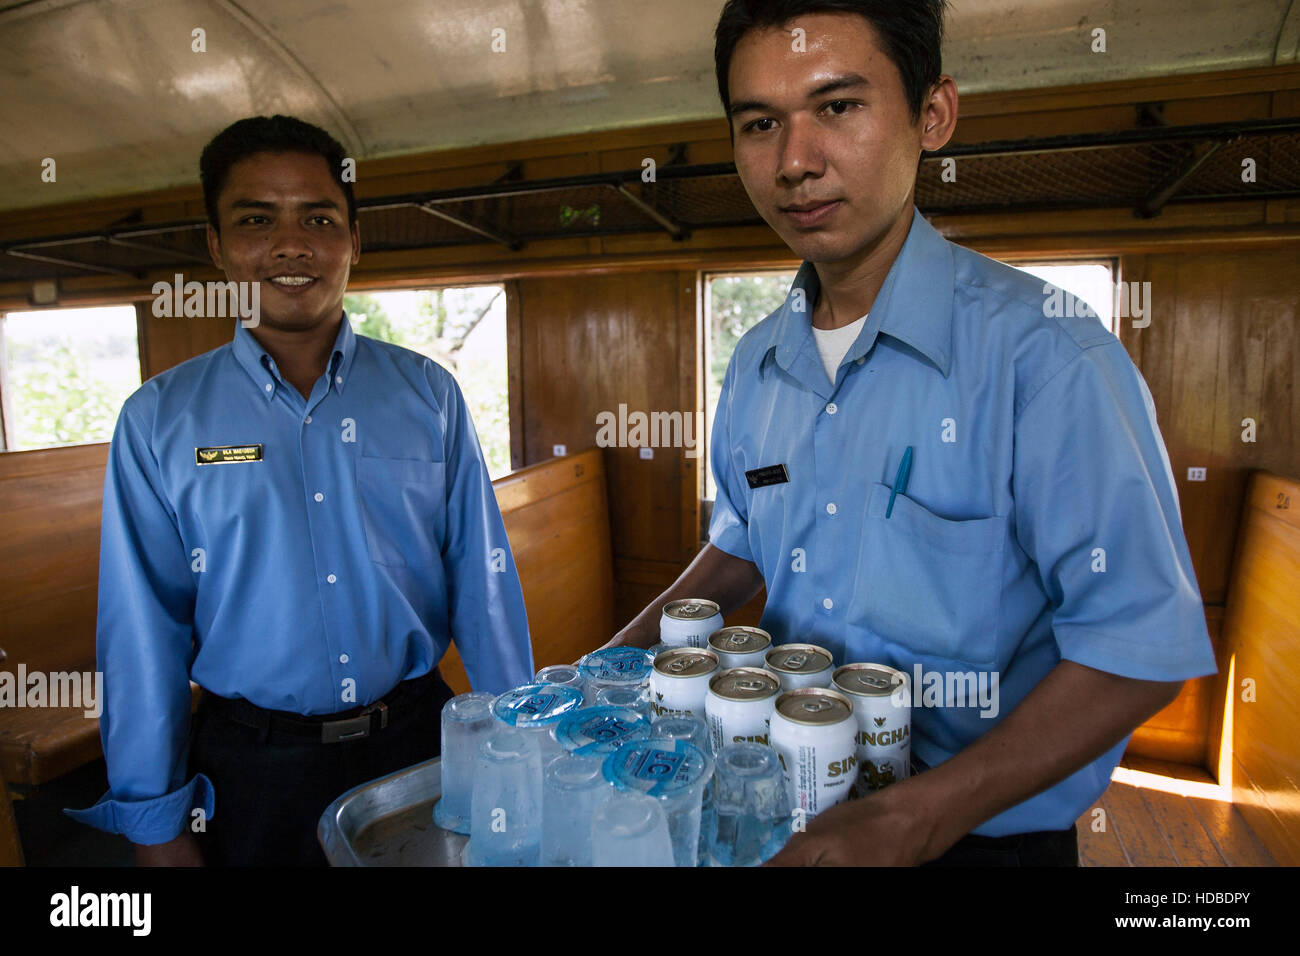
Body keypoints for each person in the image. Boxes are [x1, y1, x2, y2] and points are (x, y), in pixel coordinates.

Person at [605, 0, 1216, 866]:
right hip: (783, 811)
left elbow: (1140, 646)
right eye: (759, 123)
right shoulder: (755, 365)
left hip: (974, 835)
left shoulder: (1049, 356)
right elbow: (741, 542)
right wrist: (618, 656)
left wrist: (918, 818)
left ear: (934, 115)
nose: (794, 162)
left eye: (839, 107)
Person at [67, 115, 533, 866]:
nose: (291, 244)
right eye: (257, 220)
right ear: (217, 247)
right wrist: (154, 824)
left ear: (354, 240)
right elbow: (141, 632)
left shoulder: (428, 395)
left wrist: (523, 748)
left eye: (319, 217)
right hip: (251, 768)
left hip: (420, 745)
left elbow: (484, 587)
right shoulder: (158, 420)